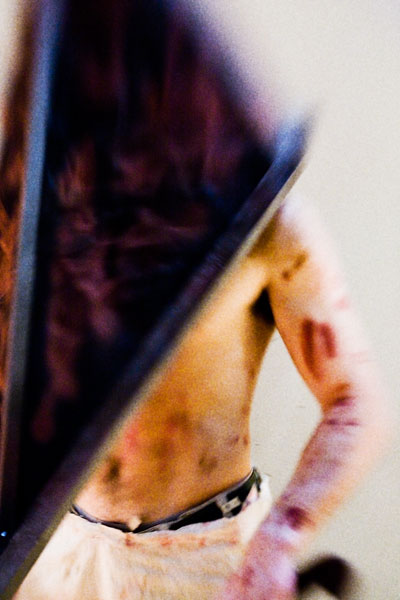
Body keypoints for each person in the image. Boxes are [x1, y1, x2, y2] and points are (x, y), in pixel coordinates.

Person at [3, 2, 391, 599]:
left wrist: (280, 540)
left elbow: (354, 401)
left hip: (210, 561)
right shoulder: (24, 229)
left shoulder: (265, 226)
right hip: (56, 553)